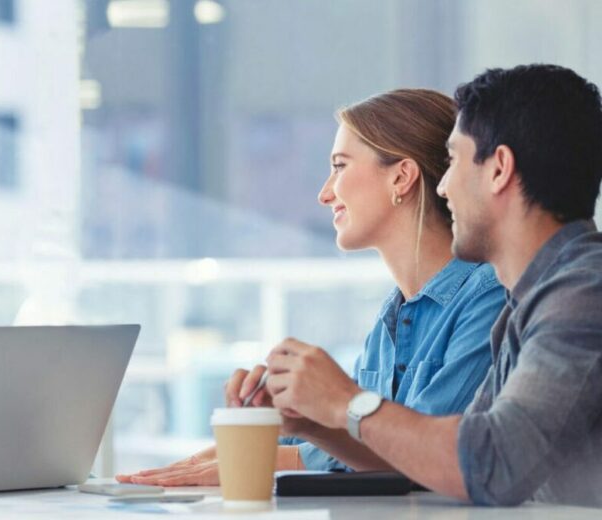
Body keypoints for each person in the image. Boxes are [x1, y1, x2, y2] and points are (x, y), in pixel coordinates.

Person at [117, 89, 505, 486]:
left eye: (340, 166)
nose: (325, 193)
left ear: (402, 177)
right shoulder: (391, 320)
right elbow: (375, 447)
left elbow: (425, 457)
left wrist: (279, 455)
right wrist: (290, 424)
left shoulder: (488, 298)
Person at [261, 64, 602, 507]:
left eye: (455, 161)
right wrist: (313, 422)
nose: (441, 186)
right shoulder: (530, 302)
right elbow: (446, 456)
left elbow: (492, 462)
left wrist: (347, 402)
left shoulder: (582, 294)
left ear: (499, 169)